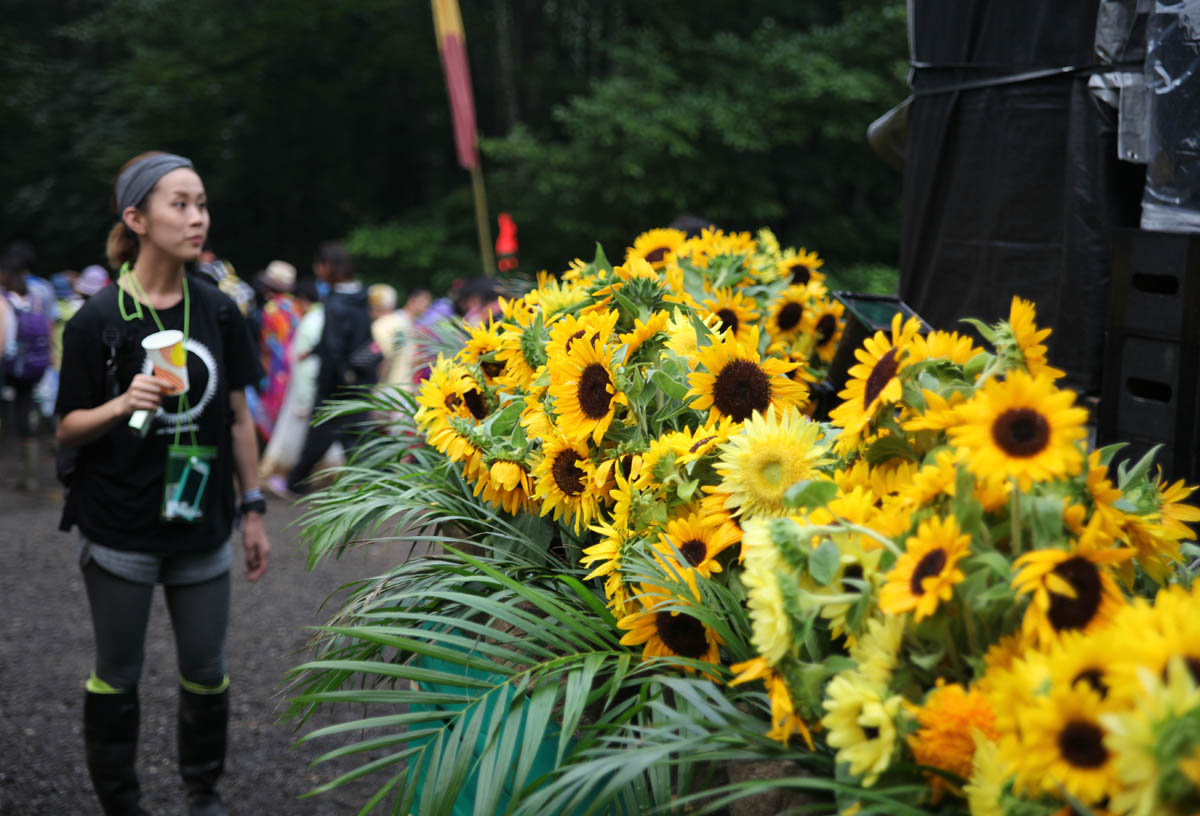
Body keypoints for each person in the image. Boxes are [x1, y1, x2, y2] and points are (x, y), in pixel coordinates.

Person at [56, 151, 270, 816]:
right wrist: (122, 402)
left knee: (207, 671)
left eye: (201, 203)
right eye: (180, 204)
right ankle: (121, 802)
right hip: (119, 524)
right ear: (137, 219)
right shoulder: (97, 318)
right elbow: (67, 427)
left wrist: (254, 508)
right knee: (117, 674)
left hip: (202, 522)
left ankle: (203, 794)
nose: (197, 217)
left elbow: (238, 417)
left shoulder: (220, 311)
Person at [271, 242, 372, 498]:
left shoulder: (336, 302)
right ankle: (367, 487)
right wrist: (316, 350)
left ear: (328, 266)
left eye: (319, 265)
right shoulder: (360, 297)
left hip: (335, 384)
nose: (317, 270)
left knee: (322, 435)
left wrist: (335, 377)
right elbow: (352, 339)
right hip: (360, 378)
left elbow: (335, 347)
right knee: (355, 437)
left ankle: (296, 483)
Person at [1, 253, 53, 491]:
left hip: (10, 366)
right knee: (25, 412)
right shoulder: (36, 297)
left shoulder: (4, 300)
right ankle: (30, 476)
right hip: (33, 366)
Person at [254, 260, 303, 441]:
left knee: (271, 410)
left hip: (277, 366)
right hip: (294, 363)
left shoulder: (271, 309)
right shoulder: (295, 306)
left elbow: (267, 346)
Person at [372, 286, 431, 391]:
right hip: (394, 385)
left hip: (400, 385)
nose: (426, 307)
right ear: (411, 300)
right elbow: (389, 354)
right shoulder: (395, 322)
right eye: (423, 302)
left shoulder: (406, 322)